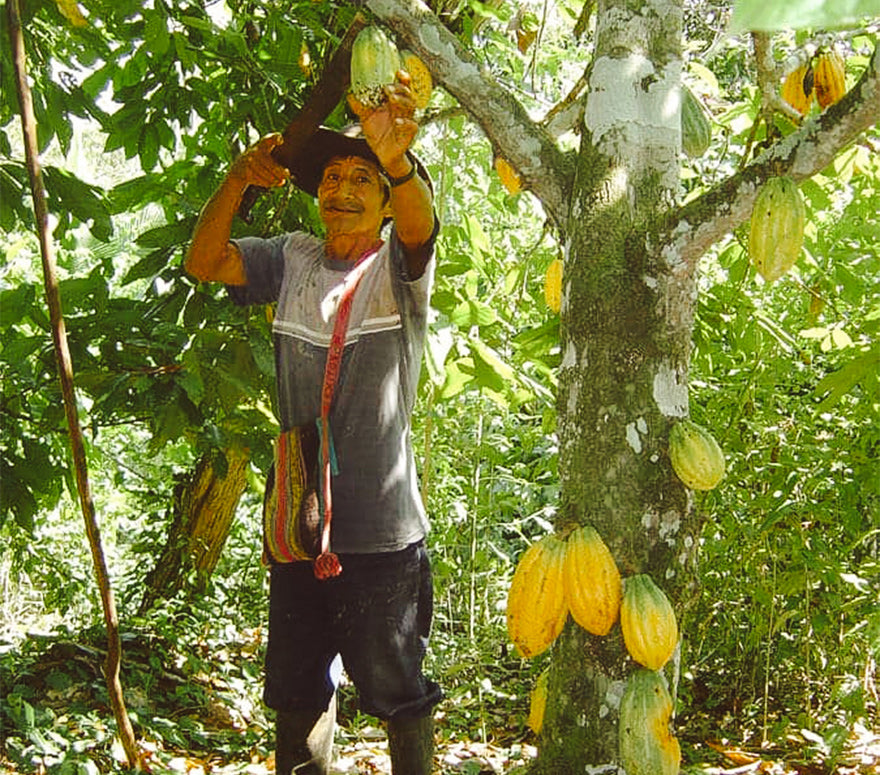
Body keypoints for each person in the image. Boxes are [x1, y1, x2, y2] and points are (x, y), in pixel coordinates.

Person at [185, 72, 442, 775]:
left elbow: (422, 227)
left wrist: (397, 157)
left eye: (363, 176)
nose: (343, 188)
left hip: (380, 532)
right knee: (298, 688)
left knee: (398, 691)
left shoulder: (400, 266)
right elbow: (203, 260)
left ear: (386, 201)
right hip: (300, 527)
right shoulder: (291, 256)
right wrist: (239, 178)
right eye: (332, 175)